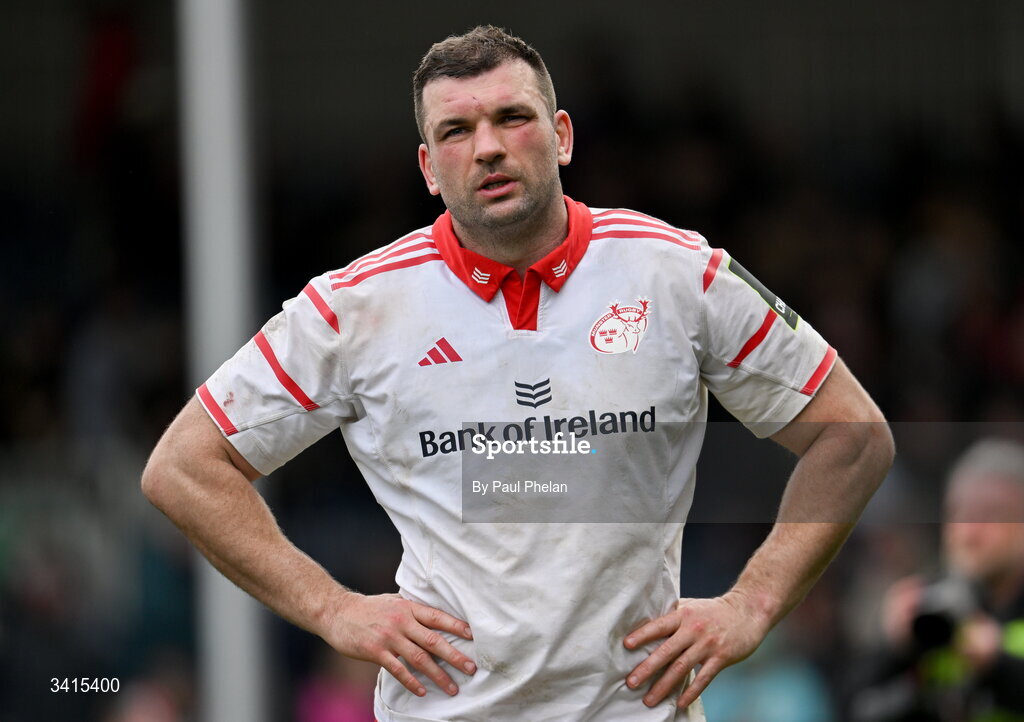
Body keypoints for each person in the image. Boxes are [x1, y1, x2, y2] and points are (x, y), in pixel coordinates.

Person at [142, 25, 894, 721]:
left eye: (512, 118)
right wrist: (334, 609)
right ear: (429, 168)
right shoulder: (354, 308)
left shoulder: (676, 274)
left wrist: (750, 606)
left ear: (561, 136)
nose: (488, 148)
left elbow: (854, 437)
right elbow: (183, 468)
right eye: (456, 132)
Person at [848, 438, 1024, 722]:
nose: (969, 533)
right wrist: (893, 652)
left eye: (990, 515)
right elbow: (853, 707)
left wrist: (996, 665)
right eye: (958, 513)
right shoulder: (925, 608)